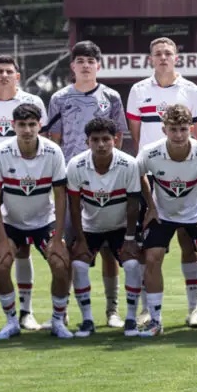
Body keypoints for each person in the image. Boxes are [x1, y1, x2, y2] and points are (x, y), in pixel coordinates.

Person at [126, 37, 197, 328]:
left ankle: (194, 309)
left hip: (187, 177)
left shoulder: (192, 90)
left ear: (177, 57)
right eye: (157, 53)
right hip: (152, 178)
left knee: (191, 246)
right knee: (149, 250)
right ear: (150, 59)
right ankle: (150, 310)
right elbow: (137, 137)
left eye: (168, 53)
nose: (163, 57)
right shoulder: (138, 91)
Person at [45, 40, 127, 329]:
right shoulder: (59, 98)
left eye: (91, 61)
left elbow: (119, 138)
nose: (85, 65)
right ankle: (62, 309)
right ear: (73, 66)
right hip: (69, 182)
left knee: (107, 247)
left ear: (98, 65)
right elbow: (54, 141)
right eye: (80, 60)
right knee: (67, 244)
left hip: (104, 180)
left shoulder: (111, 97)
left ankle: (112, 310)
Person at [0, 55, 48, 331]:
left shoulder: (32, 103)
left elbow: (43, 141)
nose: (4, 75)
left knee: (23, 249)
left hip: (24, 182)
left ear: (17, 76)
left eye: (9, 71)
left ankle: (26, 311)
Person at [0, 103, 69, 340]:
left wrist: (60, 235)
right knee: (0, 263)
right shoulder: (1, 152)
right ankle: (12, 322)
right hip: (12, 222)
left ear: (40, 125)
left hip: (45, 222)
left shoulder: (53, 152)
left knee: (61, 264)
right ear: (13, 126)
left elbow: (61, 196)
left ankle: (57, 320)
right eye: (22, 125)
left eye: (32, 124)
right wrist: (1, 239)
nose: (27, 130)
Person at [136, 104, 197, 337]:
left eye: (183, 129)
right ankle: (155, 321)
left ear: (191, 128)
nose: (179, 135)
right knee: (152, 257)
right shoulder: (150, 151)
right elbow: (139, 174)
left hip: (195, 212)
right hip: (162, 213)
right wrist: (150, 207)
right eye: (173, 129)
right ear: (164, 130)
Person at [66, 117, 141, 337]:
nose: (101, 144)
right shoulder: (76, 164)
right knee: (79, 266)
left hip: (120, 227)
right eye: (95, 139)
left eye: (106, 139)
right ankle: (87, 320)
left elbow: (134, 204)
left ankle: (130, 319)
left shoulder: (129, 164)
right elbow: (74, 206)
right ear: (86, 141)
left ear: (116, 139)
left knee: (133, 265)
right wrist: (79, 239)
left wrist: (129, 239)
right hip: (90, 228)